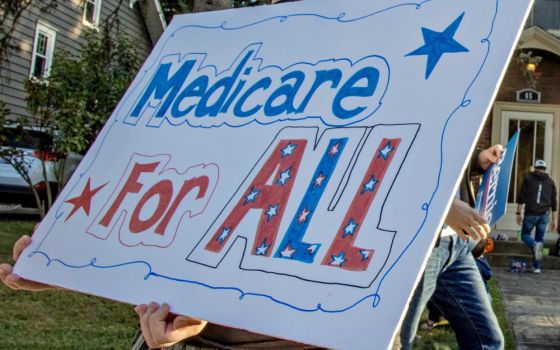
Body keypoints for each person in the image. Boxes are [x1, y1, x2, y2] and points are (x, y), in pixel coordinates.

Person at [399, 144, 505, 350]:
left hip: (457, 245)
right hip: (419, 244)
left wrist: (477, 159)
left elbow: (444, 152)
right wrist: (442, 206)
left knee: (487, 341)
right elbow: (390, 159)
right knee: (396, 342)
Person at [516, 159, 557, 274]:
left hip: (531, 213)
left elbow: (521, 196)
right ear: (544, 169)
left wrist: (519, 213)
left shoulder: (528, 178)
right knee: (540, 240)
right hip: (544, 215)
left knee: (525, 235)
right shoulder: (551, 182)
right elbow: (554, 202)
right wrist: (555, 219)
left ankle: (534, 246)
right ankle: (537, 267)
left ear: (535, 168)